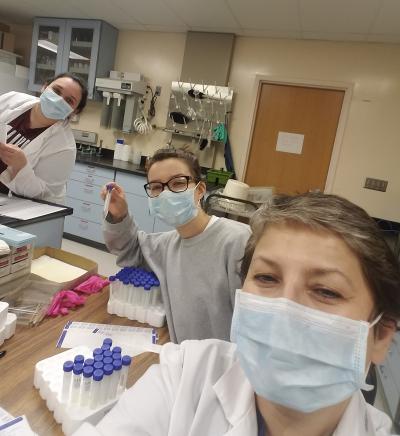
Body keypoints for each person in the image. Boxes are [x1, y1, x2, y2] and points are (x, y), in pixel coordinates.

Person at [75, 192, 400, 436]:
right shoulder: (189, 372)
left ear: (381, 335)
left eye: (327, 291)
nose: (284, 310)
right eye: (267, 278)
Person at [102, 148, 251, 343]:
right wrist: (119, 215)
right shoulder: (167, 246)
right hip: (184, 359)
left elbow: (255, 327)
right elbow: (131, 249)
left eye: (178, 183)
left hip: (227, 367)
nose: (166, 194)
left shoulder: (237, 241)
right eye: (156, 187)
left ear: (199, 190)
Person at [0, 72, 88, 203]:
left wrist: (21, 167)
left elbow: (44, 195)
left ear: (74, 111)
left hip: (17, 207)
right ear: (45, 87)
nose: (59, 99)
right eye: (57, 91)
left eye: (69, 100)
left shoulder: (64, 148)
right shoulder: (12, 100)